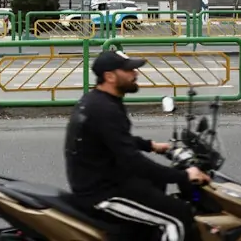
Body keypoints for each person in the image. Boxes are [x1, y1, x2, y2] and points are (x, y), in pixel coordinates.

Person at [64, 50, 209, 241]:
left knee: (157, 184)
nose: (135, 74)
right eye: (129, 70)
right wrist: (183, 175)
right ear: (110, 76)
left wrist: (151, 145)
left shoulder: (96, 101)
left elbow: (113, 140)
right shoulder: (105, 110)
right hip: (101, 194)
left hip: (102, 179)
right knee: (178, 217)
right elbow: (133, 161)